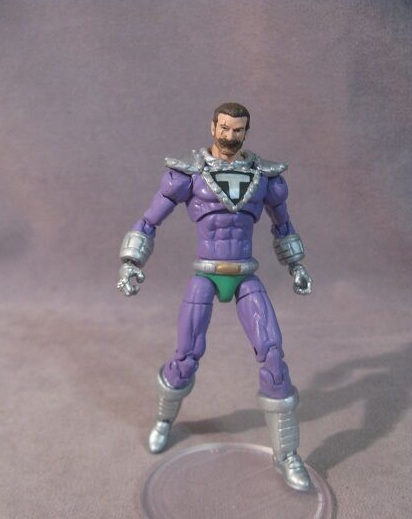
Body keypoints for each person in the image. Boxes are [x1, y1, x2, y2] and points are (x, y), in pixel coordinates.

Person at [117, 102, 313, 491]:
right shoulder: (188, 175)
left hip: (245, 275)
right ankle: (164, 419)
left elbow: (284, 226)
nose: (230, 135)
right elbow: (149, 221)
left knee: (273, 356)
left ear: (246, 132)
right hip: (206, 274)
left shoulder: (265, 178)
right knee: (185, 356)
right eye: (224, 128)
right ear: (212, 127)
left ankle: (287, 454)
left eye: (237, 130)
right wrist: (131, 262)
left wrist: (297, 266)